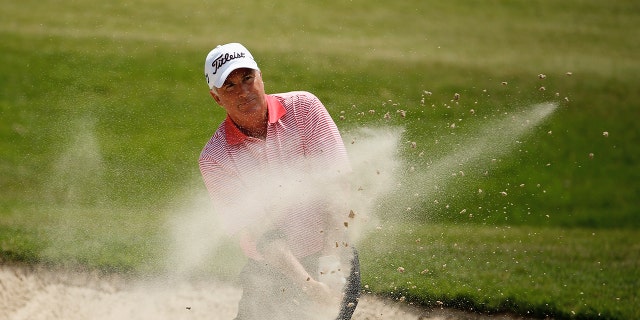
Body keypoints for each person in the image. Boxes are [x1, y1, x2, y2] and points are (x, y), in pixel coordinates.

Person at [199, 43, 360, 320]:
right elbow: (263, 234)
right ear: (217, 98)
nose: (244, 91)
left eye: (247, 78)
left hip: (332, 251)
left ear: (260, 77)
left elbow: (337, 188)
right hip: (271, 271)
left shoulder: (304, 109)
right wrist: (309, 285)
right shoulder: (215, 158)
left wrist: (331, 263)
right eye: (230, 86)